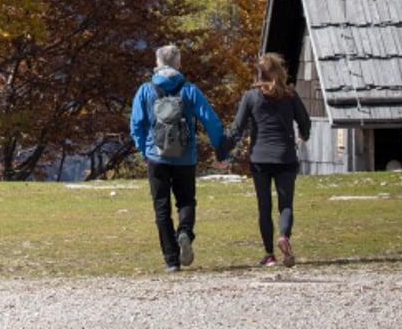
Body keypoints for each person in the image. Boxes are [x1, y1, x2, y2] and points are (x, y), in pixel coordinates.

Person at [130, 44, 227, 272]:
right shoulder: (190, 90)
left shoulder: (146, 90)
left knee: (161, 208)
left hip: (157, 157)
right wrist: (221, 150)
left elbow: (136, 124)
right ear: (178, 64)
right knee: (186, 201)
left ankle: (171, 260)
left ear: (157, 64)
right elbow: (211, 122)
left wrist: (145, 150)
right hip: (185, 157)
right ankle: (184, 232)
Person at [224, 52, 312, 267]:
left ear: (260, 73)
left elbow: (237, 129)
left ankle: (269, 254)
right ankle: (283, 236)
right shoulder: (290, 95)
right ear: (280, 71)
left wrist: (222, 150)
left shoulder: (251, 97)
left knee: (264, 207)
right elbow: (305, 121)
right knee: (286, 205)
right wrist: (304, 134)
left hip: (260, 157)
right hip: (285, 156)